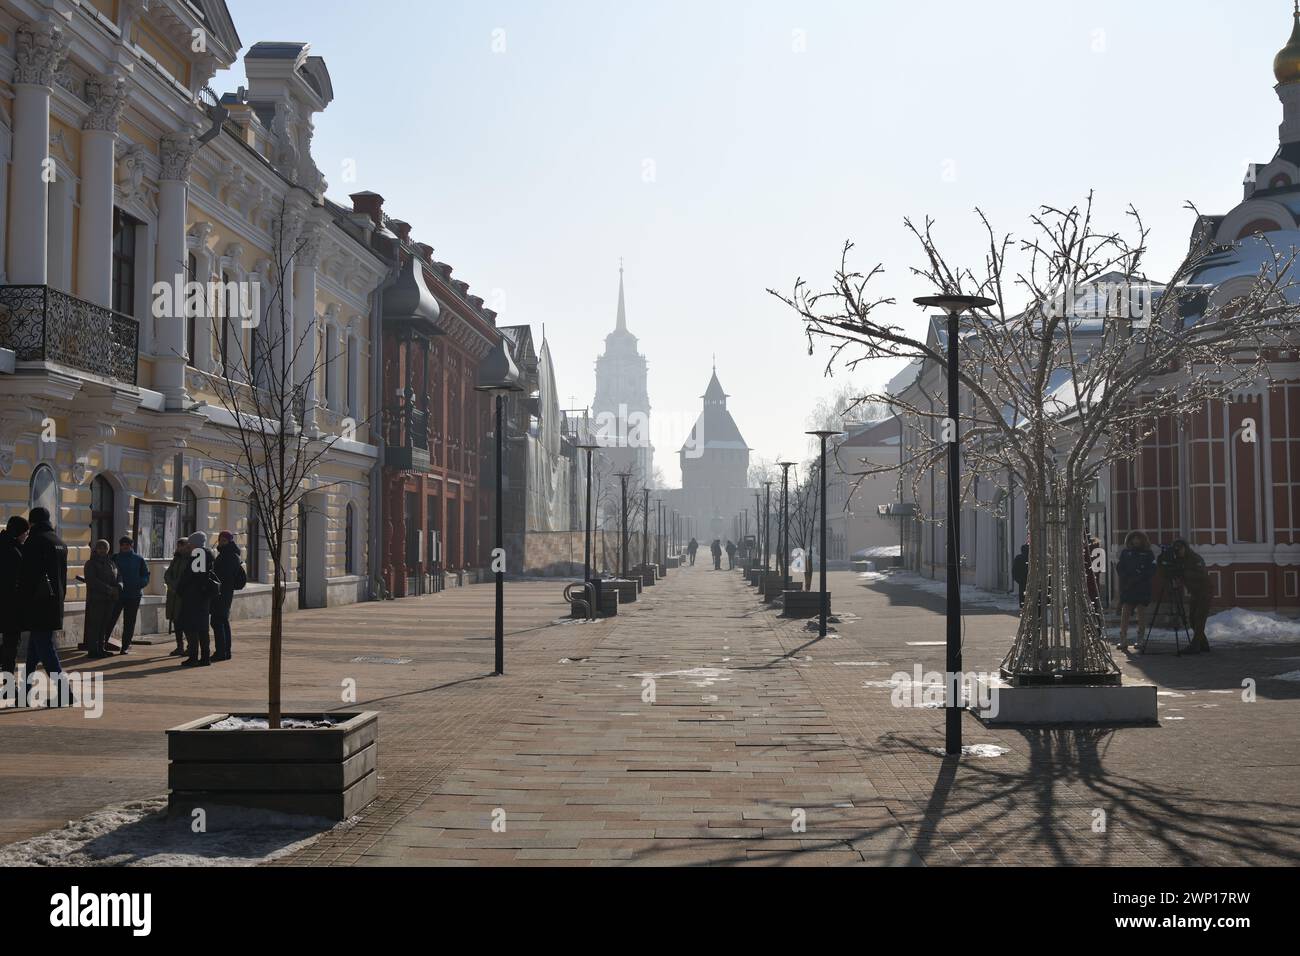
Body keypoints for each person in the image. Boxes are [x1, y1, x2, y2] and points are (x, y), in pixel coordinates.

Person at [20, 507, 69, 701]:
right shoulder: (59, 542)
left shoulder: (35, 541)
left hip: (38, 604)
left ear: (32, 522)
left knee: (46, 648)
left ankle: (65, 693)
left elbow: (27, 577)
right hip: (55, 603)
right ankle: (24, 692)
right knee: (34, 649)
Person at [1161, 539, 1212, 654]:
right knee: (1192, 620)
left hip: (1204, 591)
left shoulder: (1194, 558)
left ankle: (1195, 645)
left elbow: (1202, 574)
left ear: (1185, 548)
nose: (1179, 552)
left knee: (1199, 619)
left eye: (1180, 549)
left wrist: (1185, 572)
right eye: (1176, 550)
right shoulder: (1179, 560)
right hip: (1195, 592)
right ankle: (1203, 644)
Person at [179, 531, 218, 667]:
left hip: (195, 597)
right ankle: (204, 657)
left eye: (190, 544)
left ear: (195, 544)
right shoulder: (205, 553)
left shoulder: (199, 554)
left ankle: (195, 657)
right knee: (201, 627)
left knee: (194, 628)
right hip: (200, 596)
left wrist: (183, 587)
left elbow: (197, 576)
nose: (188, 546)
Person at [105, 536, 150, 655]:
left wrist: (139, 584)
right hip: (117, 595)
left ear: (132, 545)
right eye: (123, 544)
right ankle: (103, 643)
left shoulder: (139, 559)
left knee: (129, 622)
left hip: (134, 595)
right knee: (110, 619)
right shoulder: (114, 558)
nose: (125, 546)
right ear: (120, 545)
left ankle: (125, 646)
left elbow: (145, 575)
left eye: (127, 544)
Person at [0, 515, 29, 684]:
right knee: (11, 643)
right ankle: (8, 683)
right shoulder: (15, 551)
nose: (26, 536)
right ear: (19, 532)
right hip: (11, 604)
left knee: (10, 644)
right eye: (25, 532)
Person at [1115, 531, 1156, 652]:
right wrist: (1126, 577)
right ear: (1130, 540)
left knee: (1141, 613)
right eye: (1134, 539)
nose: (1136, 541)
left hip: (1142, 587)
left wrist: (1141, 576)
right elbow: (1120, 567)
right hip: (1129, 587)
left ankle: (1140, 637)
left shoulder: (1148, 554)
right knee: (1125, 612)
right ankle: (1123, 638)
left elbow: (1152, 569)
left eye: (1138, 539)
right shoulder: (1126, 553)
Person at [82, 539, 121, 660]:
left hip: (110, 599)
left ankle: (101, 648)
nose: (102, 550)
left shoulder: (111, 562)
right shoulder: (91, 563)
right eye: (100, 547)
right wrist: (108, 589)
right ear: (96, 549)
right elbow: (92, 580)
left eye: (104, 547)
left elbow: (119, 575)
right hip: (97, 599)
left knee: (104, 625)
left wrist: (119, 585)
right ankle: (93, 650)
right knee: (96, 625)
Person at [211, 530, 244, 662]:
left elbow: (224, 576)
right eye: (220, 539)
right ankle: (225, 651)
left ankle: (221, 652)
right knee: (222, 621)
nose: (221, 542)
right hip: (224, 592)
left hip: (223, 592)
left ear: (230, 541)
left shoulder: (229, 555)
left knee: (217, 621)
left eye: (224, 540)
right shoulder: (228, 554)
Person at [163, 538, 191, 658]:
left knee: (185, 621)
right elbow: (168, 573)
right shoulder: (176, 558)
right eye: (178, 546)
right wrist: (171, 583)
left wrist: (177, 585)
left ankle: (191, 646)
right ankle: (179, 646)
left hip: (183, 595)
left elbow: (188, 577)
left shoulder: (190, 559)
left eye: (182, 546)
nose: (179, 548)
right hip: (173, 594)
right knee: (176, 621)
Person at [1011, 544, 1029, 609]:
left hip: (1022, 581)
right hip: (1030, 581)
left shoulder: (1018, 558)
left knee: (1022, 596)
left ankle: (1023, 607)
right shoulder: (1032, 558)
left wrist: (1018, 580)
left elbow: (1014, 571)